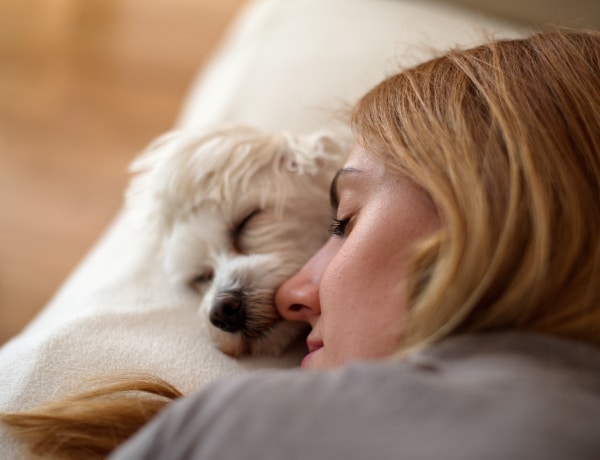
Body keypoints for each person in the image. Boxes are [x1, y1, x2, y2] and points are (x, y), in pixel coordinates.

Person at [4, 29, 600, 459]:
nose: (293, 290)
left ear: (494, 195)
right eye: (198, 281)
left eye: (342, 222)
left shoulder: (235, 423)